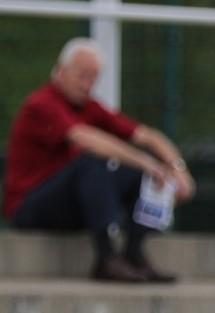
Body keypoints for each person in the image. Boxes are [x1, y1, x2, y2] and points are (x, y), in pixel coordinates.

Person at [3, 38, 195, 283]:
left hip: (70, 207)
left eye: (93, 78)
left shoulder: (90, 108)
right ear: (61, 70)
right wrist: (145, 161)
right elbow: (86, 139)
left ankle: (134, 252)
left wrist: (177, 170)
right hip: (29, 207)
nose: (87, 84)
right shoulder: (41, 104)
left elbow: (148, 135)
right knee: (93, 163)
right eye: (81, 75)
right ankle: (106, 257)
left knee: (141, 176)